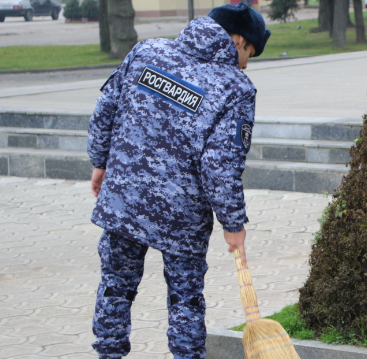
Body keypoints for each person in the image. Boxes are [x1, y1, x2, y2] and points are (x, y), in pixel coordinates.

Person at [86, 3, 270, 358]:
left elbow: (104, 109)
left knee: (115, 287)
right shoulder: (236, 88)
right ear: (236, 40)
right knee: (185, 299)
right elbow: (220, 165)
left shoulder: (146, 51)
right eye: (249, 52)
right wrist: (233, 223)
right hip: (181, 217)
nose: (246, 63)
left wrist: (100, 162)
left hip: (124, 199)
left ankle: (108, 354)